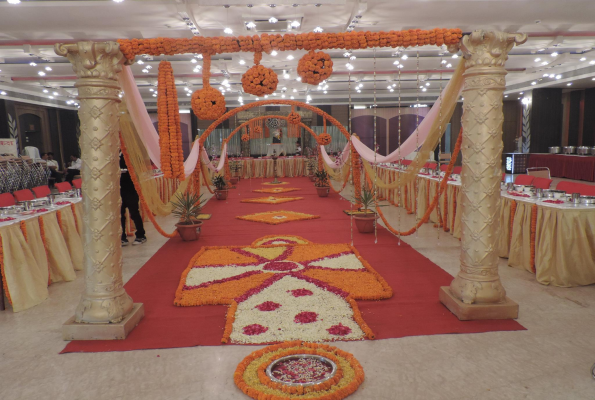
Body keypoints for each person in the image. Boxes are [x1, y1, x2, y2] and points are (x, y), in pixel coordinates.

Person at [120, 152, 146, 246]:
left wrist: (123, 171)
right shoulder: (112, 155)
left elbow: (136, 169)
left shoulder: (130, 153)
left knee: (134, 213)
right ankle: (122, 237)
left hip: (131, 189)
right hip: (119, 190)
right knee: (120, 215)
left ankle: (141, 235)